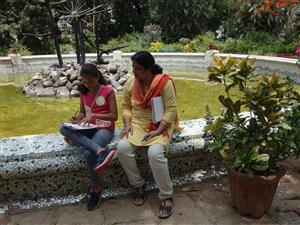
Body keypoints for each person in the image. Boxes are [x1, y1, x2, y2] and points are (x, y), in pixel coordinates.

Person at [116, 51, 179, 219]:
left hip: (160, 124)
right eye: (133, 68)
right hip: (137, 123)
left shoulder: (165, 83)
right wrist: (128, 123)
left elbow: (171, 109)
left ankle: (166, 196)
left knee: (155, 153)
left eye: (138, 69)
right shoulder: (131, 83)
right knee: (122, 148)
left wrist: (159, 130)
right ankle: (139, 186)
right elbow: (125, 106)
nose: (134, 72)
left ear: (149, 68)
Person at [60, 63, 118, 211]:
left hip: (104, 127)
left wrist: (95, 115)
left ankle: (96, 189)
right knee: (63, 128)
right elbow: (82, 113)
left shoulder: (108, 91)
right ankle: (100, 150)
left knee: (87, 152)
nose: (87, 85)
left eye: (90, 81)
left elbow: (114, 116)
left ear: (97, 76)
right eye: (84, 81)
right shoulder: (83, 91)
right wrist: (76, 120)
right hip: (88, 126)